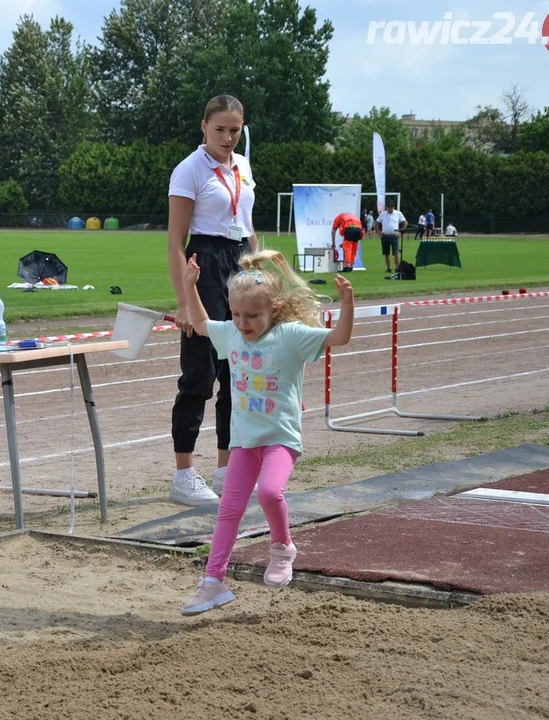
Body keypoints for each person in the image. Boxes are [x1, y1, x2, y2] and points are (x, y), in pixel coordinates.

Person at [179, 249, 354, 616]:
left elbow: (340, 337)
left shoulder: (290, 336)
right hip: (244, 441)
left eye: (252, 316)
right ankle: (213, 581)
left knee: (271, 492)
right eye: (237, 314)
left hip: (280, 439)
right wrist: (189, 286)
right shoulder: (231, 335)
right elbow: (199, 322)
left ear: (273, 311)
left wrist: (347, 303)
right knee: (229, 510)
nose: (243, 323)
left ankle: (282, 547)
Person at [167, 94, 260, 506]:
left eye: (234, 130)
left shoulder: (242, 165)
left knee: (236, 374)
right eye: (220, 129)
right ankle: (183, 474)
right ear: (203, 126)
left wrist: (261, 274)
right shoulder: (189, 170)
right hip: (203, 263)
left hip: (240, 262)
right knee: (199, 375)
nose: (227, 138)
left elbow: (248, 224)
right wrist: (185, 301)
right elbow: (174, 241)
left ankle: (226, 469)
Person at [377, 200, 408, 277]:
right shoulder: (383, 214)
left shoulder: (398, 213)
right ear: (387, 207)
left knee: (396, 253)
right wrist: (379, 232)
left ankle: (397, 268)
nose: (390, 208)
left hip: (394, 236)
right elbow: (376, 223)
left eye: (391, 206)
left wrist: (401, 232)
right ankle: (389, 268)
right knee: (386, 254)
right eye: (389, 206)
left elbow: (405, 223)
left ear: (394, 207)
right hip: (385, 236)